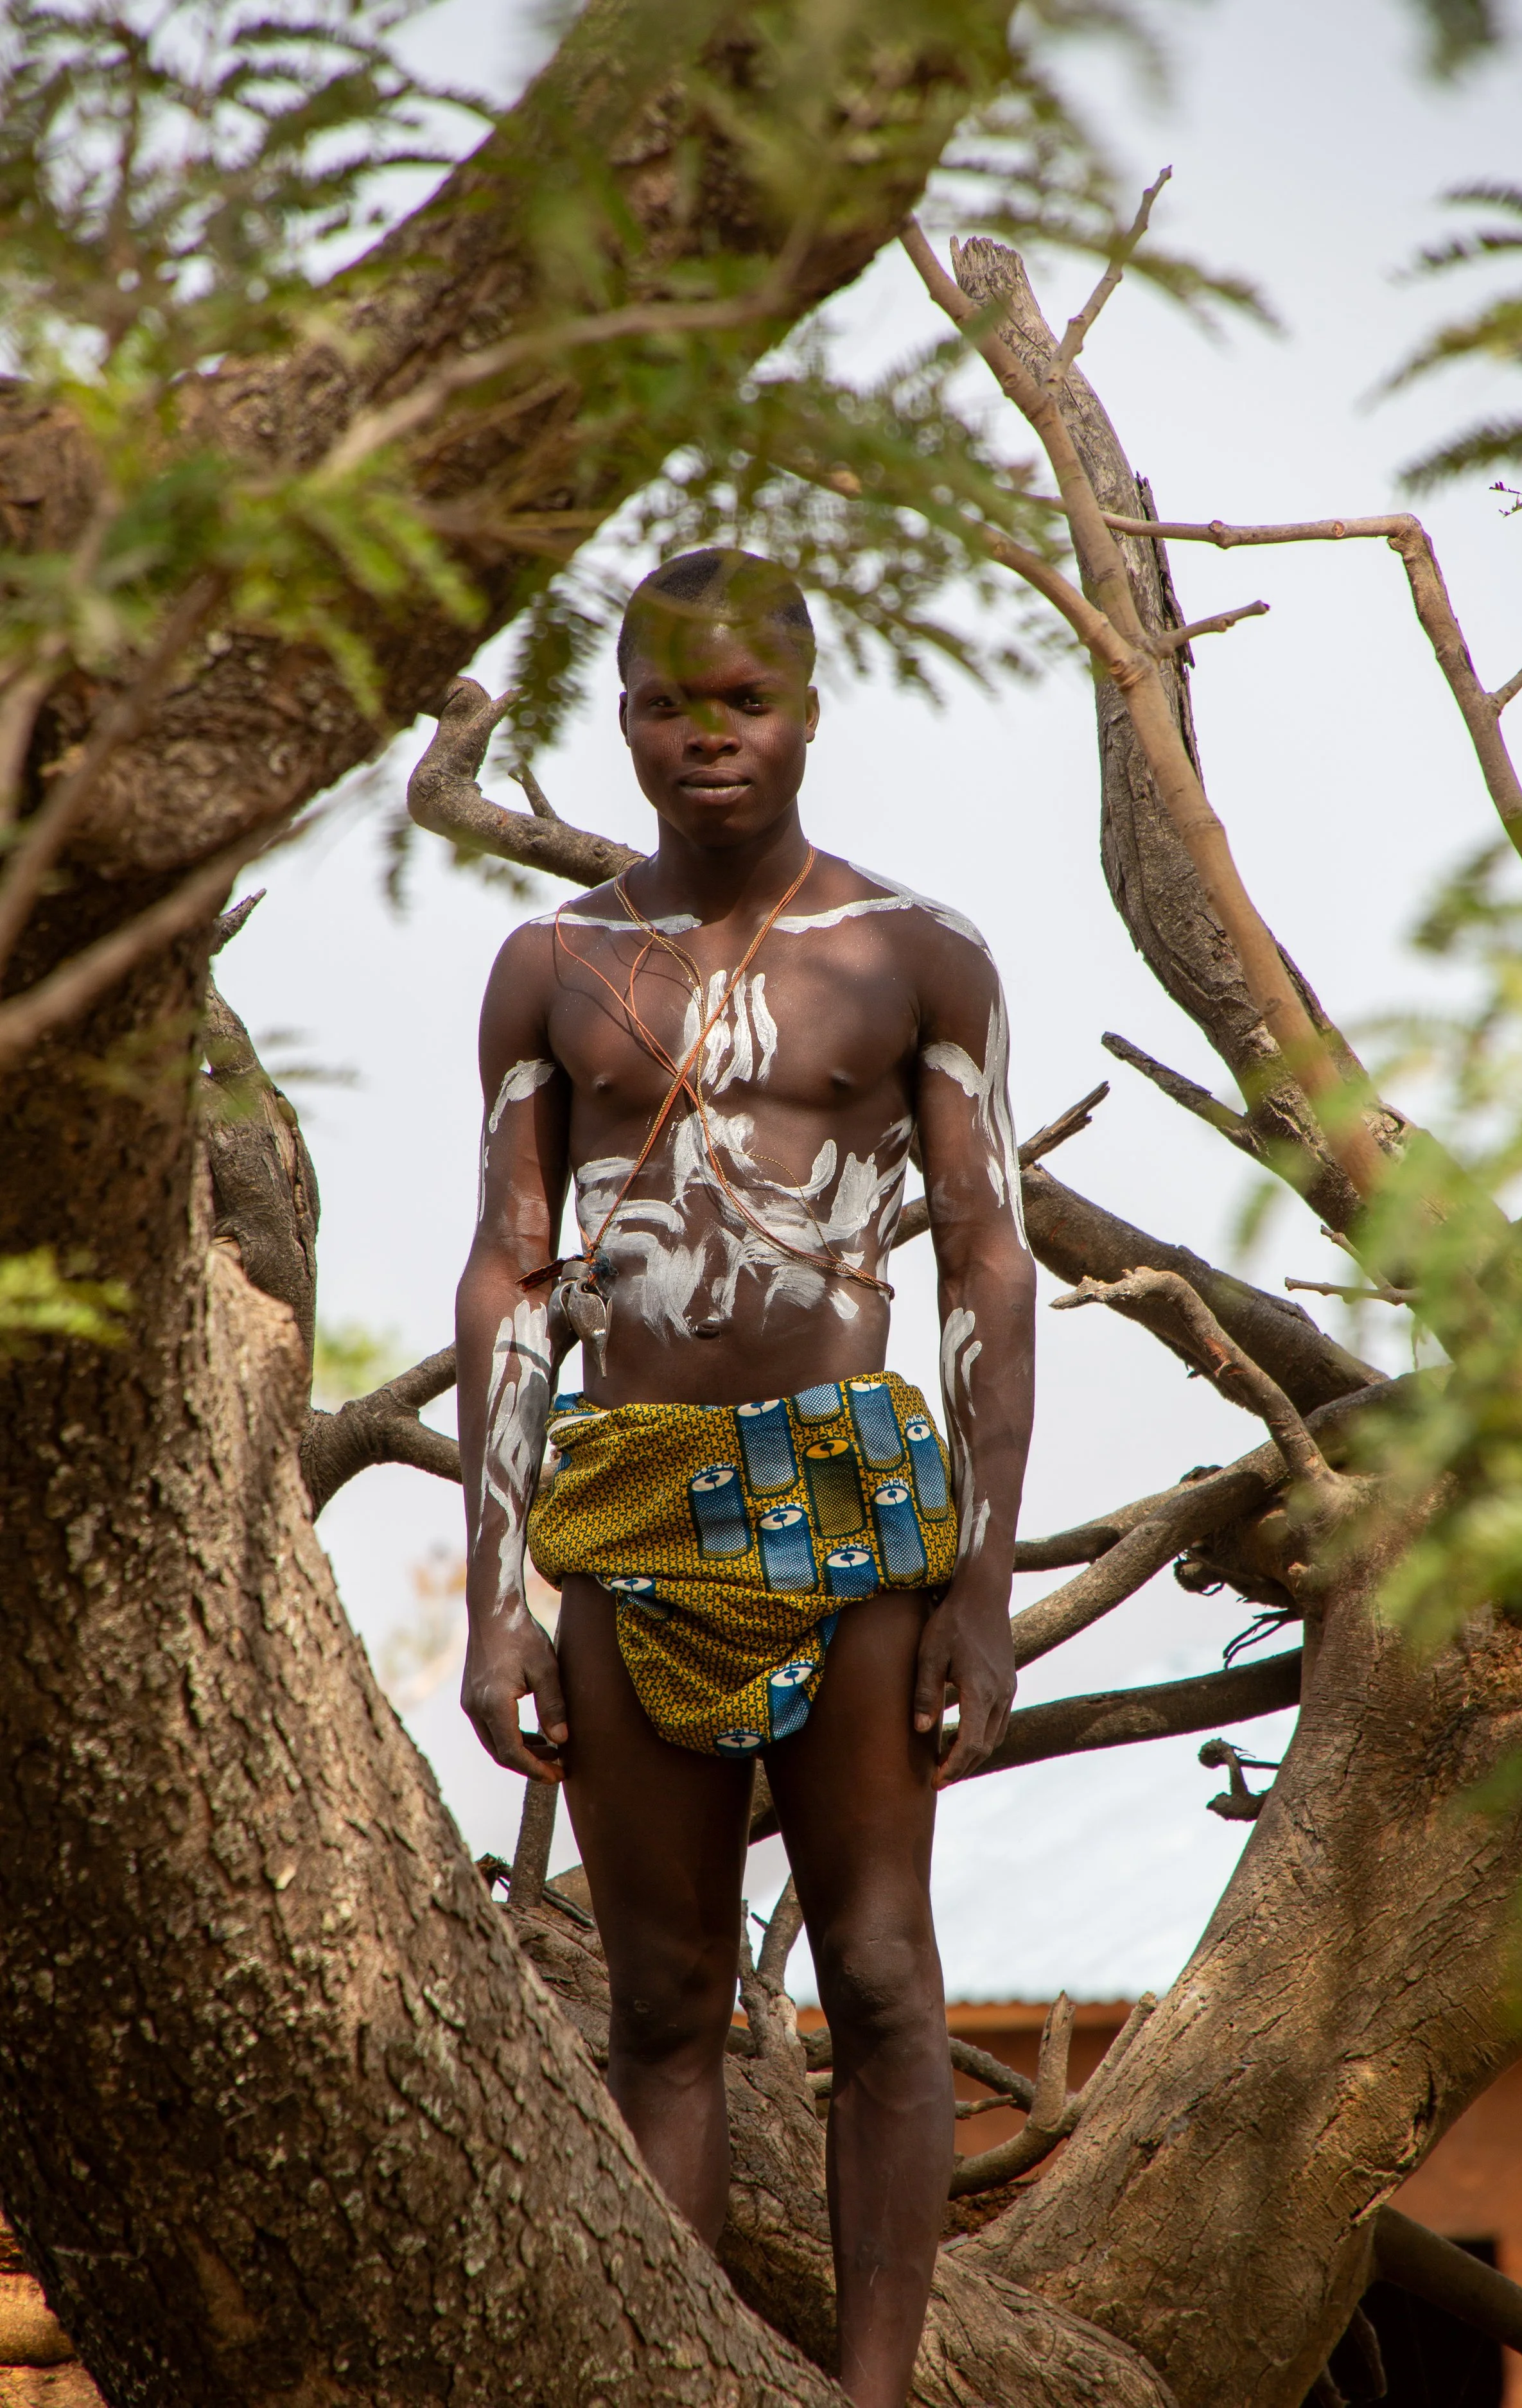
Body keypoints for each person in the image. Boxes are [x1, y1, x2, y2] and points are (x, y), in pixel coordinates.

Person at [455, 548, 1036, 2408]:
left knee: (878, 1973)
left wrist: (981, 1587)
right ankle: (678, 2385)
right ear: (620, 720)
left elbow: (987, 1260)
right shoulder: (555, 968)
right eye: (666, 704)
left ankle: (874, 2397)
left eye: (745, 701)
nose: (708, 736)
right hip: (629, 1503)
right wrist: (495, 1603)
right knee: (659, 2001)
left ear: (807, 712)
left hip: (848, 1501)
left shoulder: (912, 953)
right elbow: (511, 1272)